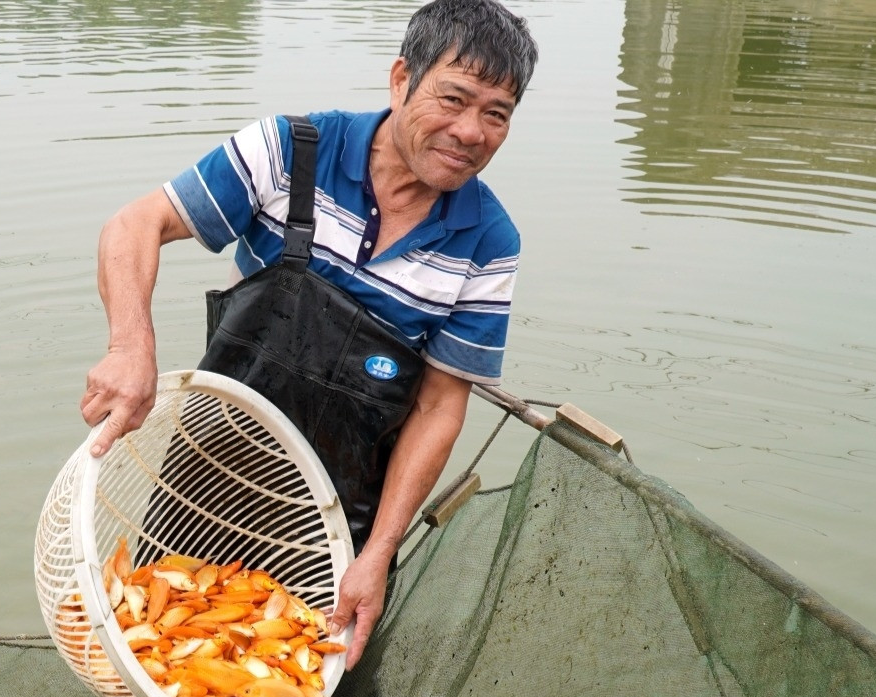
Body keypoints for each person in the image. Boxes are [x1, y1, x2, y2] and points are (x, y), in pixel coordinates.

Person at [80, 0, 537, 663]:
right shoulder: (292, 152)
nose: (471, 131)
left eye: (496, 114)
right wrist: (130, 348)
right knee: (160, 667)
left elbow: (440, 406)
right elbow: (135, 224)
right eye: (454, 99)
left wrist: (377, 553)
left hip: (335, 527)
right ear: (401, 79)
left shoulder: (488, 244)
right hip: (203, 486)